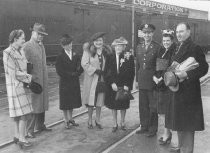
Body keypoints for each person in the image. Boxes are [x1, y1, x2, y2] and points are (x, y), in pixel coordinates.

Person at [165, 22, 208, 153]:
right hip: (177, 92)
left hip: (188, 95)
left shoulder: (195, 48)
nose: (179, 34)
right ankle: (180, 148)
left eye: (181, 31)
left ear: (188, 32)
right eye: (177, 32)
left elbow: (204, 68)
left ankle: (186, 150)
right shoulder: (176, 46)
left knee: (187, 128)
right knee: (179, 125)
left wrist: (187, 74)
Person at [3, 29, 33, 148]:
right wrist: (27, 76)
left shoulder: (21, 51)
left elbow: (24, 66)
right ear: (15, 39)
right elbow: (12, 72)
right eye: (22, 38)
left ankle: (17, 135)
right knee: (23, 114)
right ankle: (22, 138)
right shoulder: (8, 52)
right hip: (15, 86)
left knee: (18, 114)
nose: (24, 41)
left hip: (22, 85)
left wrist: (27, 73)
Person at [24, 23, 52, 138]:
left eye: (42, 35)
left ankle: (40, 125)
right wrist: (28, 81)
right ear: (33, 33)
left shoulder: (41, 46)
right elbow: (23, 65)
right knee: (33, 105)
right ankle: (29, 130)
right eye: (39, 34)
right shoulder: (26, 46)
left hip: (43, 80)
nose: (41, 36)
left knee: (42, 103)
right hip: (33, 81)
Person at [135, 24, 161, 137]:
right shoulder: (138, 47)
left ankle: (152, 128)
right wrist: (136, 80)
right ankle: (144, 126)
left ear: (152, 34)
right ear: (142, 34)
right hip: (141, 80)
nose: (147, 35)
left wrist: (156, 77)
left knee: (152, 106)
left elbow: (160, 66)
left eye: (149, 33)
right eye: (145, 33)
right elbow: (138, 65)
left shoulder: (157, 47)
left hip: (152, 81)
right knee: (143, 105)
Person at [105, 37, 135, 132]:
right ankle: (114, 124)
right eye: (116, 46)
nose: (118, 48)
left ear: (124, 47)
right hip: (113, 86)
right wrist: (111, 83)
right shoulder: (110, 57)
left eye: (120, 46)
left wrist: (128, 85)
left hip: (124, 86)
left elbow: (131, 72)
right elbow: (107, 72)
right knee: (113, 106)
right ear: (114, 47)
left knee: (123, 105)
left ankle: (122, 123)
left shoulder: (128, 56)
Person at [81, 32, 110, 129]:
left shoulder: (106, 51)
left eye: (100, 40)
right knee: (90, 101)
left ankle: (98, 120)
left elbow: (109, 64)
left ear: (103, 41)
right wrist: (95, 70)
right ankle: (89, 120)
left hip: (102, 79)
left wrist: (107, 72)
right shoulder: (88, 51)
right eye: (96, 41)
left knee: (99, 101)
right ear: (93, 42)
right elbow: (84, 63)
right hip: (92, 80)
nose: (98, 43)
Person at [153, 29, 176, 145]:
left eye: (168, 40)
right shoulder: (162, 50)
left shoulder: (173, 52)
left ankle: (167, 133)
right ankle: (167, 132)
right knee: (161, 111)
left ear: (172, 41)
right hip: (159, 84)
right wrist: (154, 77)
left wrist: (161, 78)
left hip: (166, 84)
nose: (165, 42)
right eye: (164, 40)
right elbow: (156, 66)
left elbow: (170, 68)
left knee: (165, 111)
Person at [55, 34, 83, 129]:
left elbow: (80, 66)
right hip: (65, 82)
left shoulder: (76, 54)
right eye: (67, 44)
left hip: (74, 81)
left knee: (72, 101)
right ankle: (66, 119)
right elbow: (59, 71)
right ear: (63, 46)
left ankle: (71, 118)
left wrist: (78, 73)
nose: (70, 46)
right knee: (65, 102)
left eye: (70, 44)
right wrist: (71, 74)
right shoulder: (60, 56)